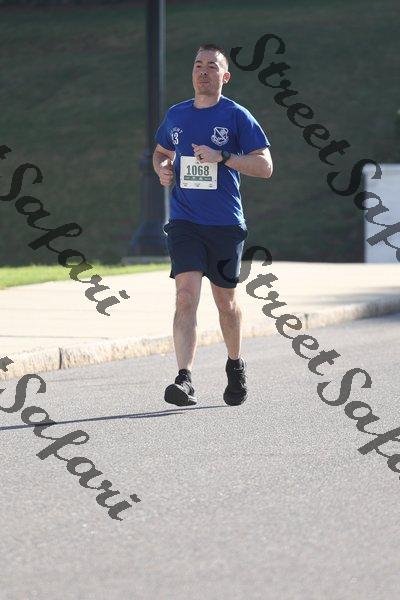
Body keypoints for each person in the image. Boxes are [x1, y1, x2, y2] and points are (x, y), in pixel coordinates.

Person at [152, 43, 273, 407]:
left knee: (226, 303)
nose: (203, 71)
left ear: (225, 76)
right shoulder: (176, 115)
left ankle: (235, 364)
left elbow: (265, 166)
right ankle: (184, 379)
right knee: (185, 295)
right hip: (185, 221)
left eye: (211, 66)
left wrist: (224, 157)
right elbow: (161, 152)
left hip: (224, 225)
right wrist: (162, 168)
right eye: (198, 65)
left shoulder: (236, 116)